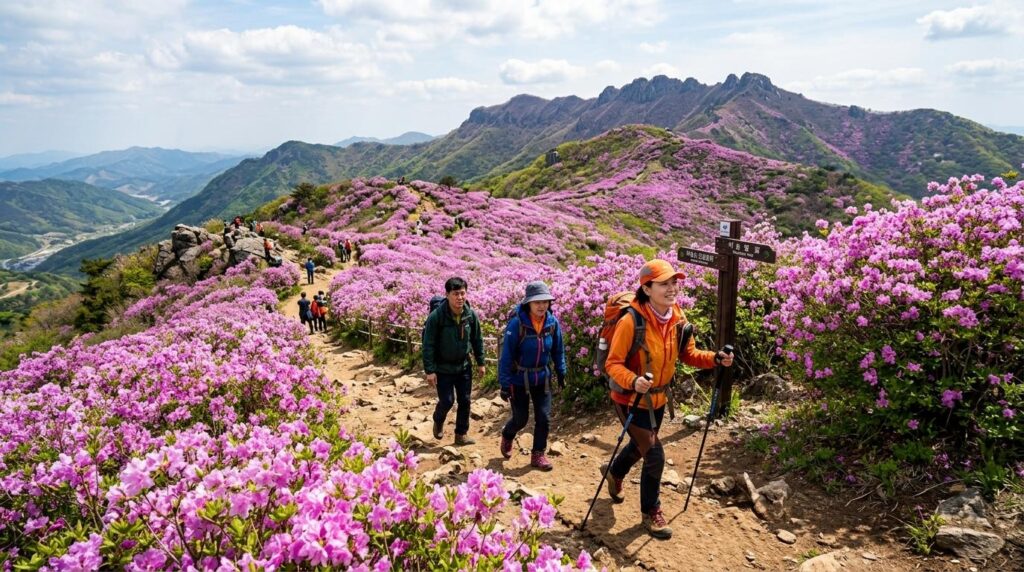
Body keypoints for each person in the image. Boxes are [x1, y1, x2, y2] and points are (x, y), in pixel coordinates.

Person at [603, 259, 733, 540]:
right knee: (655, 454)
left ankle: (614, 473)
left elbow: (689, 354)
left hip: (659, 399)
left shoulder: (677, 317)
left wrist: (715, 358)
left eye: (674, 282)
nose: (672, 288)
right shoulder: (630, 321)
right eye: (664, 283)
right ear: (647, 288)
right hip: (629, 399)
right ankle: (651, 512)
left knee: (641, 447)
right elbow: (613, 364)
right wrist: (633, 380)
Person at [497, 281, 566, 471]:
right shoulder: (517, 324)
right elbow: (506, 356)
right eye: (537, 302)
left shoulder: (552, 323)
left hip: (542, 378)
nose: (542, 306)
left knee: (543, 417)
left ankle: (538, 455)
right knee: (520, 419)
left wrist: (561, 371)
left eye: (545, 302)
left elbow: (558, 350)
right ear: (528, 303)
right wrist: (504, 383)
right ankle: (508, 434)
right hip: (519, 379)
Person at [422, 277, 485, 446]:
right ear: (447, 294)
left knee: (465, 400)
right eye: (455, 294)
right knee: (447, 401)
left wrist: (481, 362)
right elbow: (428, 344)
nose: (460, 297)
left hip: (464, 365)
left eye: (462, 293)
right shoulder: (436, 317)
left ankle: (461, 434)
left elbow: (477, 339)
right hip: (443, 368)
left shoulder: (471, 315)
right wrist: (429, 370)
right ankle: (438, 418)